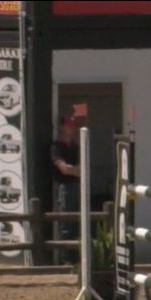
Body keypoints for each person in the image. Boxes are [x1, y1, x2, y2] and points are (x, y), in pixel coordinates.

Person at [49, 113, 83, 265]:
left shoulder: (76, 146)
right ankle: (65, 258)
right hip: (64, 187)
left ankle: (75, 256)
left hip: (76, 186)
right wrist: (74, 170)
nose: (72, 129)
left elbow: (82, 168)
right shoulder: (56, 147)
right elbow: (64, 169)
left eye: (73, 126)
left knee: (76, 221)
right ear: (62, 127)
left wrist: (73, 170)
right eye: (69, 126)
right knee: (65, 222)